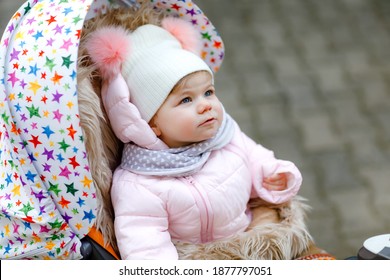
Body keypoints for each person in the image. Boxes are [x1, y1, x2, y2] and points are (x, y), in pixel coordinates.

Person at [85, 15, 302, 260]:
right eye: (186, 100)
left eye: (208, 92)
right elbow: (146, 249)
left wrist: (273, 173)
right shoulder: (138, 184)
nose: (205, 105)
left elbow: (254, 156)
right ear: (150, 123)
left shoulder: (225, 136)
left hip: (249, 240)